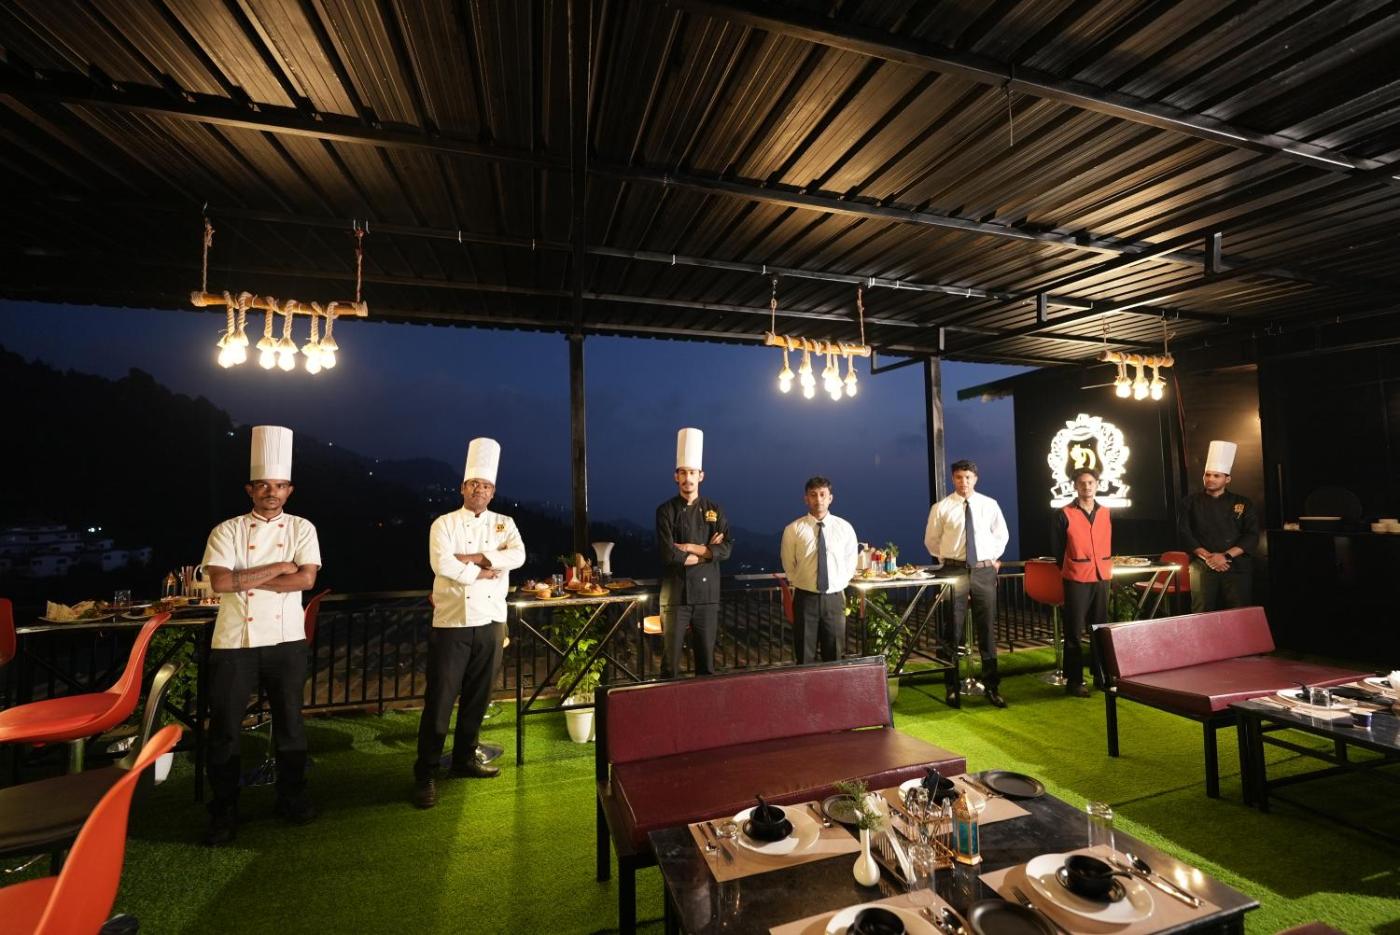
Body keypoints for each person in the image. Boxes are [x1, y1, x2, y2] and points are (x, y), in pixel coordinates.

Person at [201, 425, 322, 846]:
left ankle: (292, 797)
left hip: (286, 640)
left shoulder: (303, 528)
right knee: (225, 728)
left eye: (279, 485)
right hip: (235, 642)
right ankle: (224, 810)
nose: (272, 492)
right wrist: (278, 568)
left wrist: (247, 577)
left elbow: (305, 580)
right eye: (264, 485)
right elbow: (219, 583)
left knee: (290, 723)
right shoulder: (227, 531)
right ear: (250, 490)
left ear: (290, 490)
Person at [413, 438, 525, 809]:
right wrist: (485, 569)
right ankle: (426, 772)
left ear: (493, 492)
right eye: (474, 484)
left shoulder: (505, 523)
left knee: (479, 696)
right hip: (452, 623)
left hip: (491, 621)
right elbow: (442, 564)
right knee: (440, 700)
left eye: (486, 485)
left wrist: (473, 557)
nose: (480, 490)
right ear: (462, 488)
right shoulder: (443, 524)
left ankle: (464, 759)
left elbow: (518, 556)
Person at [924, 459, 1010, 708]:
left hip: (983, 571)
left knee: (987, 630)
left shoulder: (989, 504)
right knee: (952, 630)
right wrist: (951, 559)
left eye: (968, 477)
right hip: (954, 571)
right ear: (953, 479)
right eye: (959, 477)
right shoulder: (941, 507)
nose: (964, 482)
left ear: (975, 479)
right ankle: (952, 688)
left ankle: (992, 687)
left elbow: (1001, 535)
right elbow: (932, 541)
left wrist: (989, 558)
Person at [655, 428, 731, 677]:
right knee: (670, 665)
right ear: (676, 476)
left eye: (692, 472)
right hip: (675, 596)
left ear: (701, 476)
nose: (688, 478)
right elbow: (668, 554)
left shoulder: (715, 509)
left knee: (706, 664)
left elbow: (726, 549)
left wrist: (689, 548)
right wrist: (707, 553)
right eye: (683, 472)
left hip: (707, 597)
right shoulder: (665, 511)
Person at [780, 476, 858, 664]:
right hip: (805, 599)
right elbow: (788, 564)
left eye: (823, 494)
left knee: (834, 656)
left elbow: (850, 561)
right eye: (813, 495)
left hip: (834, 599)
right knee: (804, 656)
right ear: (806, 499)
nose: (818, 499)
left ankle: (833, 685)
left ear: (830, 498)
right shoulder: (793, 529)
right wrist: (801, 581)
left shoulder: (844, 528)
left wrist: (840, 582)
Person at [1050, 468, 1111, 697]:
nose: (1087, 486)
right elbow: (1057, 549)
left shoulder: (1105, 512)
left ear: (1097, 485)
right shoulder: (1063, 514)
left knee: (1100, 629)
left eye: (1091, 482)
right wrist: (1071, 567)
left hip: (1102, 576)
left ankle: (1101, 676)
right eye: (1082, 483)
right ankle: (1075, 680)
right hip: (1076, 577)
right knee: (1074, 631)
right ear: (1075, 486)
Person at [1178, 440, 1259, 612]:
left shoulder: (1243, 502)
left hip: (1236, 567)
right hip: (1202, 567)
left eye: (1216, 476)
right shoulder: (1190, 502)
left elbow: (1251, 535)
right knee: (1202, 612)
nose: (1210, 479)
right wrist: (1208, 558)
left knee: (1239, 613)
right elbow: (1184, 532)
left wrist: (1225, 556)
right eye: (1207, 475)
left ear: (1227, 479)